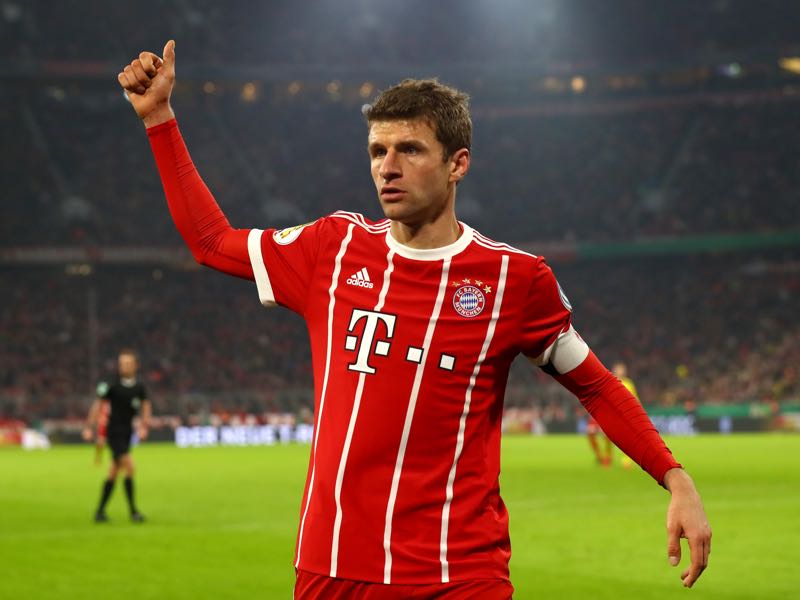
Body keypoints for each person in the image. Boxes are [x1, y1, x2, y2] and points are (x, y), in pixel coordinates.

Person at [117, 41, 711, 597]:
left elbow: (596, 384)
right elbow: (210, 240)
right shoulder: (332, 247)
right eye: (378, 150)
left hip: (459, 571)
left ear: (458, 164)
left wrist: (675, 477)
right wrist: (158, 119)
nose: (387, 167)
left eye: (410, 149)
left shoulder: (515, 280)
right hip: (333, 564)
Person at [83, 349, 151, 523]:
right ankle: (134, 512)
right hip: (114, 432)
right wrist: (89, 426)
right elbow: (98, 405)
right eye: (122, 363)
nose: (124, 366)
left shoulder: (139, 387)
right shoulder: (111, 384)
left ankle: (100, 512)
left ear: (136, 366)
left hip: (127, 432)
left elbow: (145, 406)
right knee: (130, 467)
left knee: (113, 472)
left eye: (128, 363)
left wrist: (144, 426)